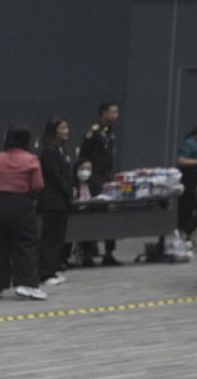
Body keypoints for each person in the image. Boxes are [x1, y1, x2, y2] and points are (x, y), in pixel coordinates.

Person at [0, 125, 45, 300]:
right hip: (21, 204)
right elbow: (38, 185)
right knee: (26, 244)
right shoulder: (31, 160)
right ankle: (27, 284)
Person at [77, 101, 121, 266]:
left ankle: (109, 252)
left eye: (117, 112)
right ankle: (87, 253)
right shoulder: (94, 133)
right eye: (113, 112)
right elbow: (84, 155)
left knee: (110, 214)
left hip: (107, 176)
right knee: (93, 214)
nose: (116, 116)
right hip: (95, 178)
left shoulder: (109, 132)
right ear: (103, 113)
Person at [37, 116, 73, 288]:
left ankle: (52, 269)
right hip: (53, 200)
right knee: (50, 238)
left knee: (58, 237)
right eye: (63, 128)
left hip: (61, 201)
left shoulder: (61, 150)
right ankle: (44, 272)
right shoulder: (49, 151)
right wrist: (67, 189)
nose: (67, 131)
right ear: (54, 131)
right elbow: (55, 175)